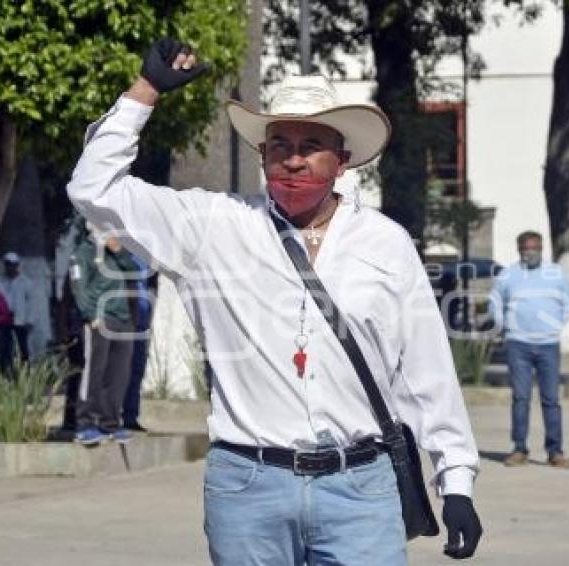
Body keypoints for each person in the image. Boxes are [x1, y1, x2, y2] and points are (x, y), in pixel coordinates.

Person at [66, 39, 482, 564]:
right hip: (248, 489)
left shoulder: (386, 243)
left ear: (343, 161)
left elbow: (425, 370)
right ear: (262, 154)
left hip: (361, 489)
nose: (293, 157)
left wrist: (457, 481)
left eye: (311, 144)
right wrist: (145, 92)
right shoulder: (211, 226)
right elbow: (92, 188)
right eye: (279, 143)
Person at [488, 231, 569, 469]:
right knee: (521, 398)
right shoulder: (508, 276)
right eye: (526, 249)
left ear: (542, 248)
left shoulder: (556, 274)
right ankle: (519, 449)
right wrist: (505, 326)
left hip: (548, 344)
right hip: (518, 345)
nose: (531, 253)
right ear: (519, 250)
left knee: (551, 399)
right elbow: (494, 303)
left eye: (535, 248)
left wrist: (556, 325)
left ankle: (555, 451)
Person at [70, 228, 138, 446]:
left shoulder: (118, 251)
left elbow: (134, 272)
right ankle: (85, 423)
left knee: (119, 374)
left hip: (122, 319)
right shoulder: (83, 252)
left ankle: (110, 423)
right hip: (100, 319)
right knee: (94, 371)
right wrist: (91, 315)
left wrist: (118, 250)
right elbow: (79, 287)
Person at [122, 253, 155, 432]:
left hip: (142, 321)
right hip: (126, 320)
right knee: (119, 371)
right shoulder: (124, 256)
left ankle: (130, 416)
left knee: (137, 369)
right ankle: (113, 416)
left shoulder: (145, 258)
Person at [0, 251, 34, 368]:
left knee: (22, 348)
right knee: (4, 348)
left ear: (17, 265)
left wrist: (30, 320)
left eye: (12, 264)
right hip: (5, 319)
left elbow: (31, 303)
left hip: (20, 319)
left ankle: (24, 371)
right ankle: (4, 371)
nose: (10, 267)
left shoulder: (26, 282)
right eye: (7, 264)